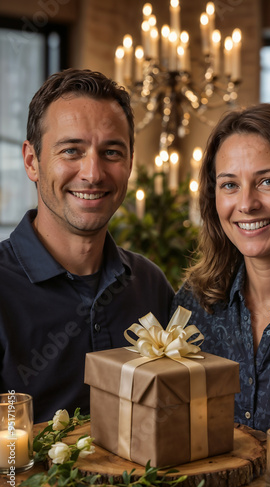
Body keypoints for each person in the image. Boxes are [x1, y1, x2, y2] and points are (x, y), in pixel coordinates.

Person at [0, 68, 174, 423]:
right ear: (32, 161)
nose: (93, 173)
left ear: (128, 163)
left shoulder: (150, 284)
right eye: (71, 151)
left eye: (111, 152)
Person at [172, 103, 270, 471]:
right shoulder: (194, 303)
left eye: (267, 181)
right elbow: (169, 428)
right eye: (230, 184)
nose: (246, 204)